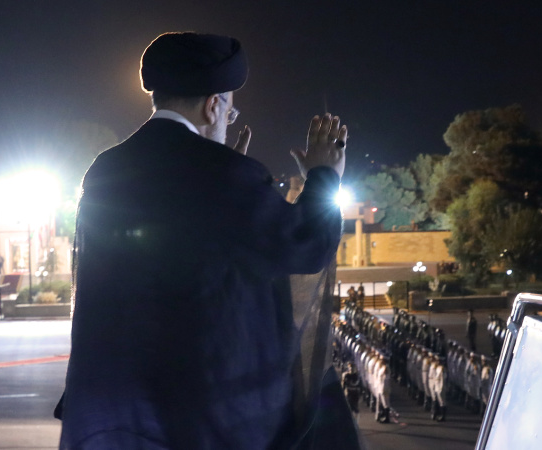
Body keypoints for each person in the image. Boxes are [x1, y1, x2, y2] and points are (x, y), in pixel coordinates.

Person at [58, 32, 351, 450]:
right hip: (202, 416)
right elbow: (305, 246)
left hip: (119, 414)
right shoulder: (227, 176)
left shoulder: (105, 169)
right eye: (229, 110)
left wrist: (228, 170)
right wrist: (324, 177)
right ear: (214, 105)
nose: (227, 119)